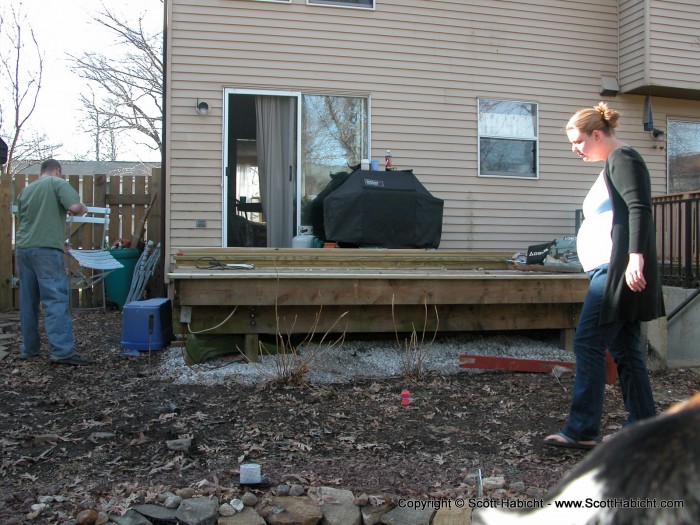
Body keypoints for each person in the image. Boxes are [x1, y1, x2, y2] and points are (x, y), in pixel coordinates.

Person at [544, 102, 665, 449]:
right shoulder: (613, 163)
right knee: (626, 351)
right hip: (612, 268)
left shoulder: (623, 159)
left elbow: (640, 208)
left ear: (597, 134)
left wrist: (635, 257)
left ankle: (582, 429)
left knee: (587, 342)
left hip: (615, 271)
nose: (575, 149)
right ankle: (644, 429)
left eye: (578, 142)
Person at [15, 159, 91, 366]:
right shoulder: (57, 183)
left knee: (28, 301)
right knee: (55, 299)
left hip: (23, 249)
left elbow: (29, 223)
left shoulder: (26, 191)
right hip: (46, 252)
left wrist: (60, 242)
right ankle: (62, 352)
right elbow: (74, 207)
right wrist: (83, 207)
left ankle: (29, 350)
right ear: (57, 170)